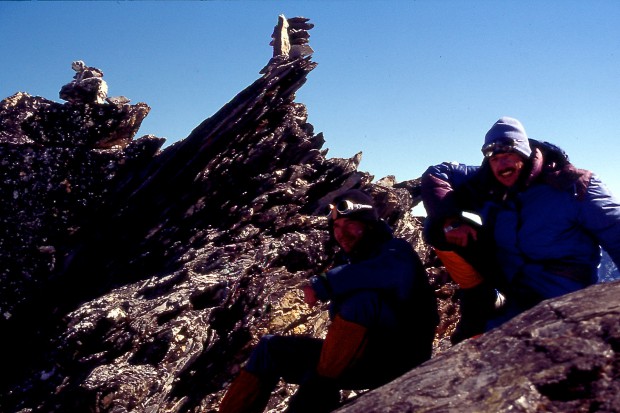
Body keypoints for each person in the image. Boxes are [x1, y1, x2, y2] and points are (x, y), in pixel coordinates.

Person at [218, 189, 439, 413]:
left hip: (400, 362)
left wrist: (323, 284)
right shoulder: (351, 262)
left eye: (349, 223)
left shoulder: (397, 251)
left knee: (363, 301)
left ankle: (317, 392)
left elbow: (380, 273)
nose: (341, 233)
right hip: (357, 360)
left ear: (369, 223)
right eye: (336, 227)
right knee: (271, 348)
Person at [421, 116, 620, 339]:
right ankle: (480, 297)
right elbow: (437, 173)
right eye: (495, 157)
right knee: (436, 229)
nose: (502, 164)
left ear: (525, 153)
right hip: (512, 288)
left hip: (563, 295)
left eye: (509, 155)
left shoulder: (574, 186)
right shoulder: (486, 180)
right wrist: (450, 221)